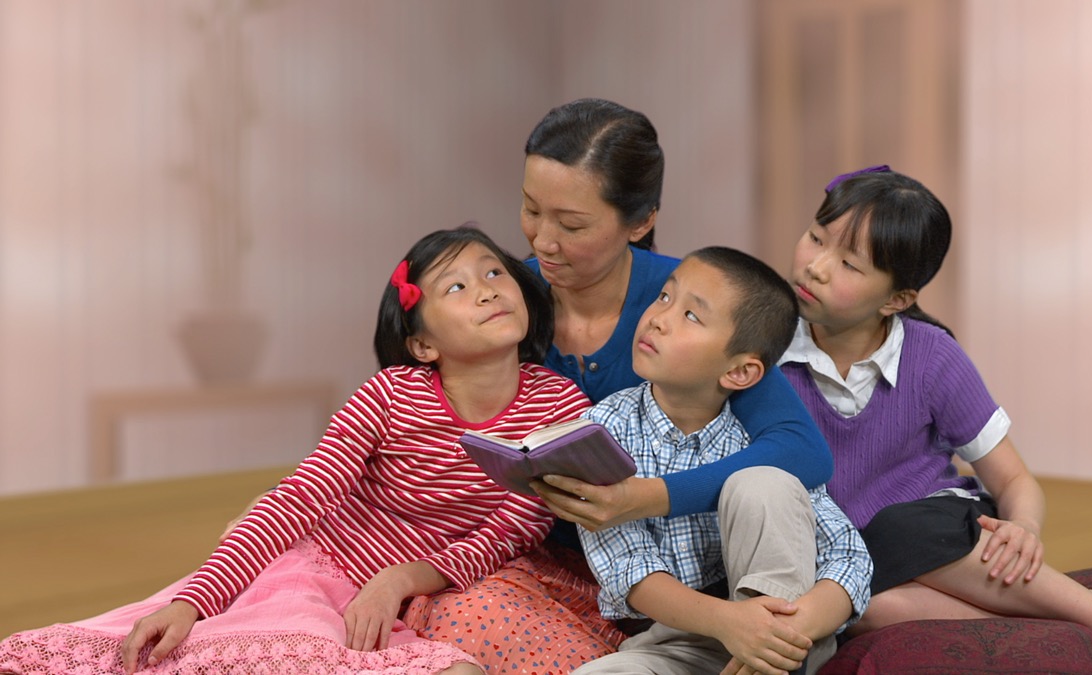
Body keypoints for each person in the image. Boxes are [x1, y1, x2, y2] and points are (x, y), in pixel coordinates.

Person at [0, 225, 594, 674]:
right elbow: (301, 496)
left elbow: (511, 532)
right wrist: (193, 601)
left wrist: (399, 581)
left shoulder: (560, 403)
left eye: (494, 274)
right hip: (319, 575)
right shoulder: (390, 394)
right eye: (457, 287)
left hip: (419, 592)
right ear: (421, 344)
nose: (487, 292)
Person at [395, 98, 836, 672]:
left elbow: (801, 452)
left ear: (640, 221)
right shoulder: (501, 302)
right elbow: (414, 415)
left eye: (571, 224)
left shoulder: (687, 305)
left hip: (692, 573)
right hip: (540, 561)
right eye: (531, 210)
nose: (542, 241)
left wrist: (645, 497)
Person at [778, 165, 1092, 657]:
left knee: (897, 528)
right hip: (851, 555)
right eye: (815, 238)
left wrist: (1025, 528)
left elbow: (1014, 479)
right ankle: (1091, 607)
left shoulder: (931, 355)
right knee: (864, 607)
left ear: (897, 299)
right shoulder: (765, 348)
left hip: (939, 527)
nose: (816, 266)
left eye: (850, 264)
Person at [572, 247, 872, 675]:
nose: (659, 318)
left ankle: (768, 665)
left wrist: (783, 632)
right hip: (678, 640)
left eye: (691, 316)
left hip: (789, 634)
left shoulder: (762, 441)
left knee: (761, 483)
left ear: (739, 372)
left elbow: (848, 557)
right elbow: (629, 569)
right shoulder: (603, 430)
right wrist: (731, 624)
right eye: (664, 297)